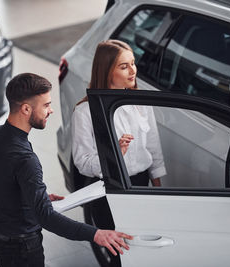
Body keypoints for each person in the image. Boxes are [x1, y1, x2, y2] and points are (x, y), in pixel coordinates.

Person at [0, 73, 132, 267]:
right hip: (22, 247)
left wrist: (32, 195)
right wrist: (96, 233)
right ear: (26, 109)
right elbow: (47, 217)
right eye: (46, 105)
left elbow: (1, 182)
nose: (51, 111)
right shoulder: (26, 159)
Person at [71, 40, 166, 265]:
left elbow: (154, 147)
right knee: (120, 256)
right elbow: (82, 162)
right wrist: (115, 155)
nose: (133, 71)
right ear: (107, 71)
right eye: (124, 66)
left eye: (133, 63)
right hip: (108, 192)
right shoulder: (84, 113)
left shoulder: (141, 103)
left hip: (141, 185)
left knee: (145, 251)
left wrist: (160, 190)